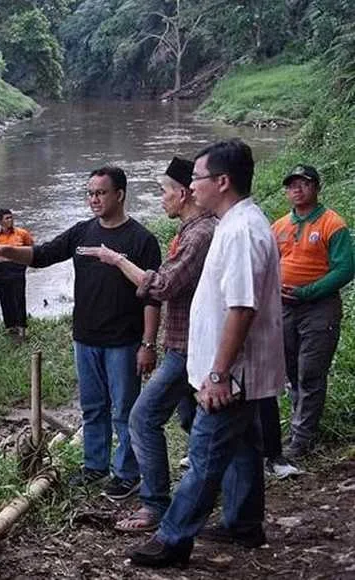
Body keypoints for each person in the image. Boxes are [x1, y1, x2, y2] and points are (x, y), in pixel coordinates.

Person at [130, 139, 284, 568]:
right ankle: (243, 524)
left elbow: (241, 307)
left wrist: (218, 374)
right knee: (244, 446)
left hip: (232, 373)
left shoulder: (238, 231)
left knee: (204, 456)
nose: (191, 187)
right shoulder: (238, 223)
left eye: (197, 178)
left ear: (222, 181)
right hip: (238, 369)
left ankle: (174, 538)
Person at [0, 166, 162, 500]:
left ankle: (127, 473)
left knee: (125, 410)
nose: (93, 199)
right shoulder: (82, 232)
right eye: (89, 193)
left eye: (100, 193)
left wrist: (148, 344)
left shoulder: (141, 240)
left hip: (124, 341)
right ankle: (95, 465)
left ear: (120, 195)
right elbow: (42, 255)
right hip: (85, 338)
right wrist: (8, 251)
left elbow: (152, 296)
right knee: (93, 407)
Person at [80, 157, 215, 532]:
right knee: (198, 422)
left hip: (189, 347)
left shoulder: (197, 235)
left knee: (139, 416)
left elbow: (161, 287)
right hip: (186, 345)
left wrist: (116, 260)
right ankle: (235, 509)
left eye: (164, 192)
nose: (161, 199)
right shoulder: (190, 231)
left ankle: (155, 503)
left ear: (184, 192)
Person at [262, 164, 354, 468]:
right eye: (291, 185)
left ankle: (302, 439)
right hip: (284, 307)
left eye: (303, 184)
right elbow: (269, 263)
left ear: (316, 187)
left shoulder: (332, 223)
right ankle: (298, 426)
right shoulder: (279, 226)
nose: (296, 189)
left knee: (311, 371)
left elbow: (345, 268)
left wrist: (309, 291)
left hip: (319, 307)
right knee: (289, 368)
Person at [0, 209, 34, 339]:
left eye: (11, 218)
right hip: (1, 271)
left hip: (17, 269)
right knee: (5, 299)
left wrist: (23, 264)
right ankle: (10, 327)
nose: (10, 220)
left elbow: (31, 248)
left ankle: (22, 327)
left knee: (19, 298)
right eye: (7, 218)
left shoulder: (22, 234)